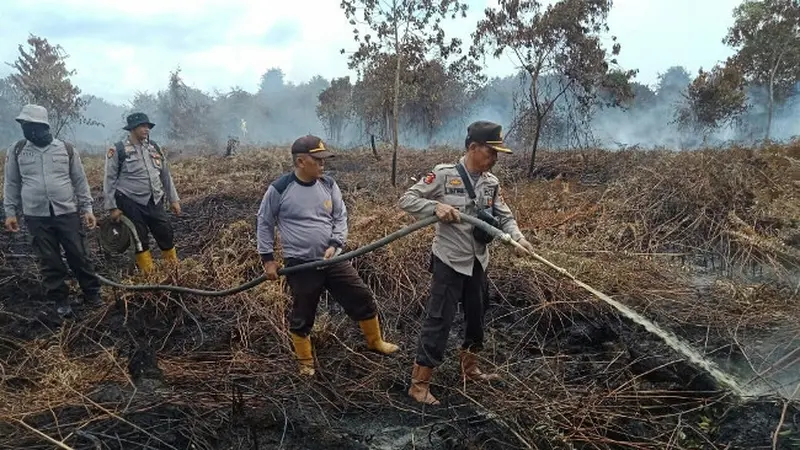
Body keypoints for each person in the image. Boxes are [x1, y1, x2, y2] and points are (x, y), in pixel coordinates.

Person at [398, 120, 536, 405]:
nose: (495, 159)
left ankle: (469, 368)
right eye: (491, 152)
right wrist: (435, 207)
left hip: (477, 261)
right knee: (439, 320)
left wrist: (518, 239)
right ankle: (419, 383)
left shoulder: (491, 182)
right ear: (473, 147)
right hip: (449, 260)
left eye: (498, 154)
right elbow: (407, 200)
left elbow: (504, 217)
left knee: (477, 316)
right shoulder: (444, 175)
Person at [256, 135, 399, 376]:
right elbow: (264, 222)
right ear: (301, 161)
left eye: (324, 160)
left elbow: (340, 217)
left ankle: (375, 342)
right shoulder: (280, 189)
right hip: (300, 264)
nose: (323, 165)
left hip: (333, 260)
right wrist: (267, 259)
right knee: (303, 311)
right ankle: (305, 362)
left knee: (361, 296)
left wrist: (335, 244)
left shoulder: (329, 185)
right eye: (318, 160)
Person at [3, 104, 102, 318]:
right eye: (24, 125)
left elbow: (80, 180)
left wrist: (87, 209)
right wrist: (10, 212)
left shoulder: (65, 149)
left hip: (66, 212)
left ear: (43, 125)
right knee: (49, 259)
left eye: (30, 125)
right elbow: (11, 183)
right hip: (36, 216)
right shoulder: (18, 150)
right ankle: (60, 299)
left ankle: (92, 292)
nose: (27, 130)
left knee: (79, 254)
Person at [103, 113, 181, 274]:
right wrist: (112, 207)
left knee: (165, 232)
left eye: (148, 126)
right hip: (130, 200)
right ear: (132, 129)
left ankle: (174, 271)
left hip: (155, 199)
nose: (146, 129)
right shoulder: (118, 149)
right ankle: (148, 275)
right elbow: (109, 180)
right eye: (142, 126)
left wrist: (174, 199)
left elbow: (165, 175)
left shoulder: (154, 147)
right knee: (139, 238)